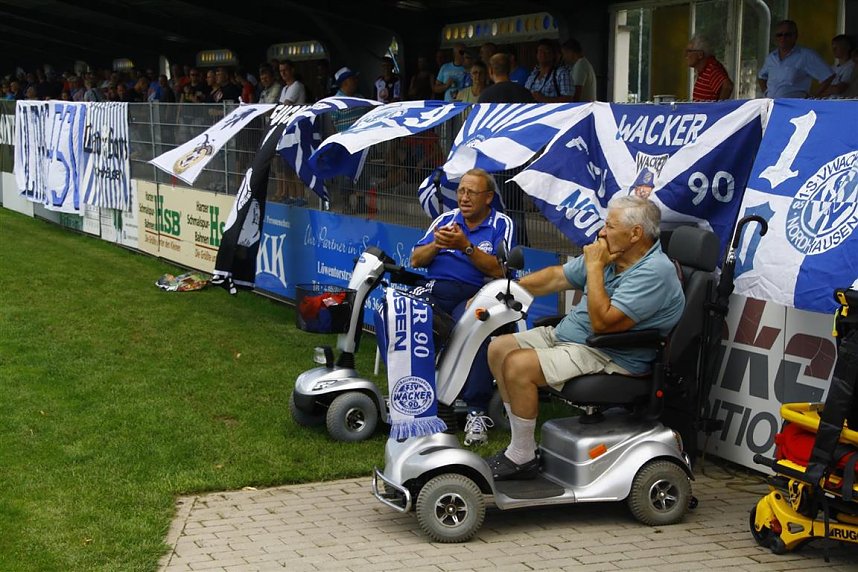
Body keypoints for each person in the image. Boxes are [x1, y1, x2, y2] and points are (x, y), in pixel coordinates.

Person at [484, 196, 685, 480]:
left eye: (610, 226)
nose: (602, 232)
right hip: (573, 339)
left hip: (609, 354)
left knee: (518, 365)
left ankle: (521, 458)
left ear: (635, 234)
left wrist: (594, 268)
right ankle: (520, 446)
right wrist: (506, 290)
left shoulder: (654, 272)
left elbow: (603, 323)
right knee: (499, 348)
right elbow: (556, 277)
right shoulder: (613, 256)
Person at [411, 168, 516, 446]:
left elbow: (501, 270)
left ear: (488, 197)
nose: (464, 197)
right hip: (436, 291)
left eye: (472, 192)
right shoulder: (445, 220)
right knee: (407, 319)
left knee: (476, 326)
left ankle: (476, 413)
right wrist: (436, 244)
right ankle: (416, 402)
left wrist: (466, 246)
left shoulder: (500, 224)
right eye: (461, 191)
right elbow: (416, 260)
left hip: (476, 294)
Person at [758, 20, 834, 98]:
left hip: (793, 104)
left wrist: (813, 97)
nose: (783, 38)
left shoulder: (805, 55)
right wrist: (766, 93)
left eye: (787, 35)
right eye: (779, 35)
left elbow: (828, 76)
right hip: (771, 103)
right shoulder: (771, 57)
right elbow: (761, 77)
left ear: (795, 36)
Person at [685, 34, 733, 101]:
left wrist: (718, 106)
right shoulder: (703, 69)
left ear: (700, 54)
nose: (686, 55)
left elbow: (728, 86)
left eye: (689, 51)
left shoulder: (711, 68)